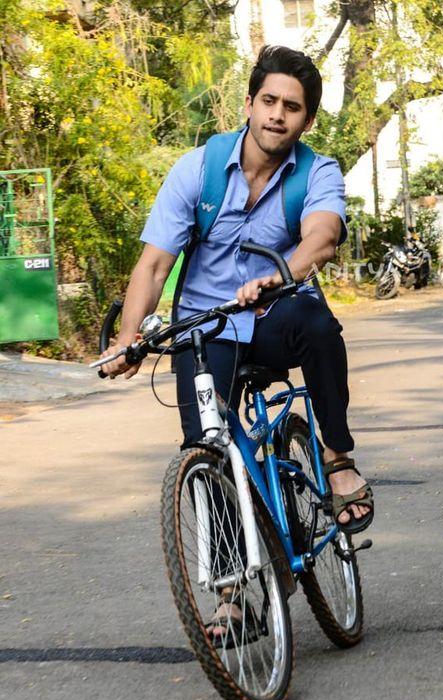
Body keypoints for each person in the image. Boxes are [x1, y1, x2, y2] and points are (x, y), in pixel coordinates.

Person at [97, 46, 373, 531]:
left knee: (317, 323)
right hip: (205, 331)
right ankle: (229, 590)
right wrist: (128, 338)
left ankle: (337, 457)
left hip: (274, 317)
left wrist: (281, 276)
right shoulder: (197, 170)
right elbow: (155, 264)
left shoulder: (317, 171)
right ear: (248, 104)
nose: (277, 115)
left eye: (292, 107)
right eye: (269, 101)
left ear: (306, 121)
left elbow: (323, 236)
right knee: (206, 447)